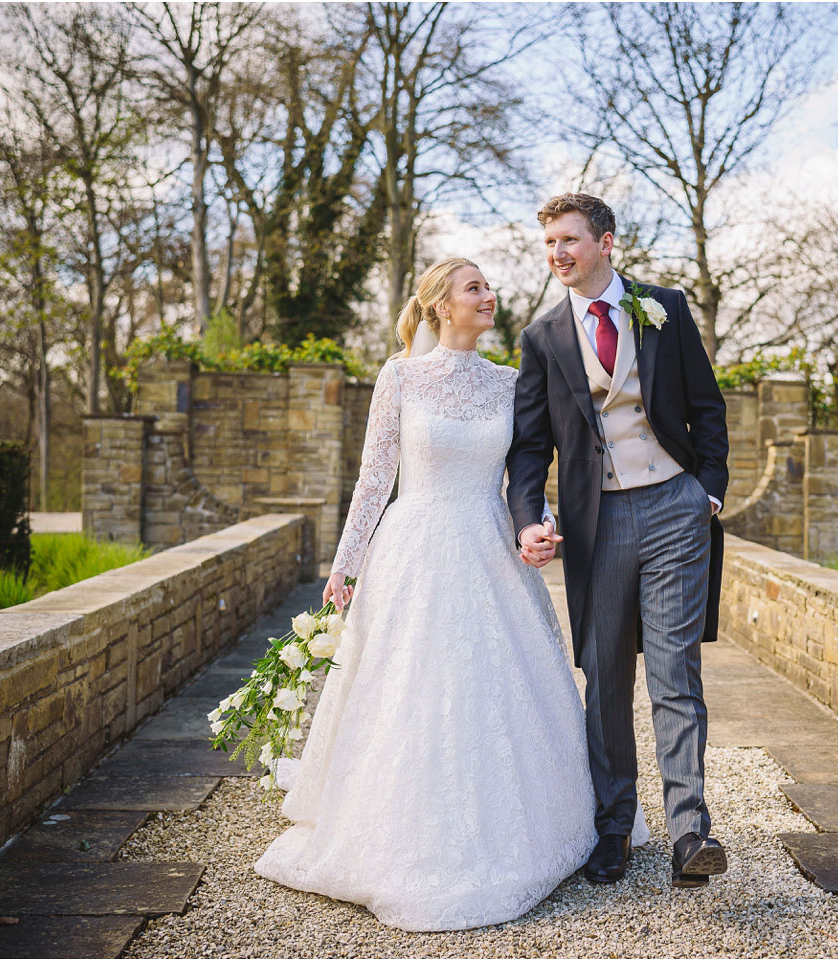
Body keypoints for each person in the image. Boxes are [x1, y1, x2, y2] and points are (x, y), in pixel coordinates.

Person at [254, 257, 648, 931]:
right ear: (441, 304)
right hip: (415, 548)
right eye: (475, 288)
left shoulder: (510, 383)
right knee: (410, 687)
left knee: (495, 686)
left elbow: (527, 477)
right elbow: (374, 477)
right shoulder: (400, 376)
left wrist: (541, 523)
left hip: (490, 548)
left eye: (488, 286)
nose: (489, 296)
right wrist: (346, 565)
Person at [506, 192, 731, 889]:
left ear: (607, 242)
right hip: (595, 523)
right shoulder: (543, 338)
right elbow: (527, 446)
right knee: (604, 677)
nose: (558, 255)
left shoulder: (665, 307)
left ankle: (690, 829)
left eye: (570, 240)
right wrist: (528, 517)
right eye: (549, 245)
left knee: (674, 670)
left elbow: (706, 406)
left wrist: (708, 489)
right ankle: (612, 829)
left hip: (674, 508)